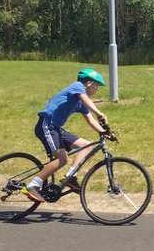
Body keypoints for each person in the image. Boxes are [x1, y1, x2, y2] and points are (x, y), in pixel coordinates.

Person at [24, 68, 111, 203]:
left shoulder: (79, 102)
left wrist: (104, 132)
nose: (97, 89)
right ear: (88, 83)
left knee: (86, 146)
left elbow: (90, 119)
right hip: (47, 124)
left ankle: (70, 176)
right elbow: (86, 100)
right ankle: (33, 185)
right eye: (96, 85)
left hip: (57, 128)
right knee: (62, 159)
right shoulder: (77, 87)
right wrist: (100, 113)